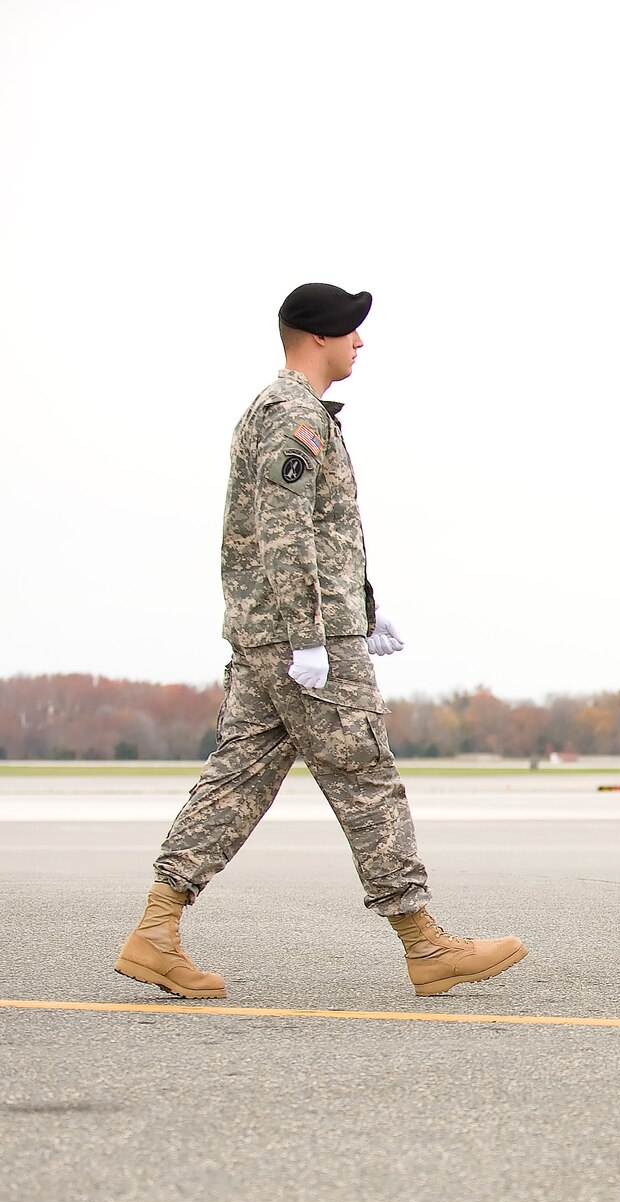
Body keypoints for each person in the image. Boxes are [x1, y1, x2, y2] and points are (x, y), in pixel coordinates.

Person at [114, 283, 525, 1000]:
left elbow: (317, 534)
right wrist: (317, 637)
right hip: (304, 643)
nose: (360, 342)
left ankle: (155, 932)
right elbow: (286, 533)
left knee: (235, 780)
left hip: (270, 635)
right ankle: (425, 944)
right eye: (351, 331)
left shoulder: (292, 414)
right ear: (317, 337)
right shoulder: (294, 418)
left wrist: (364, 609)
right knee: (365, 774)